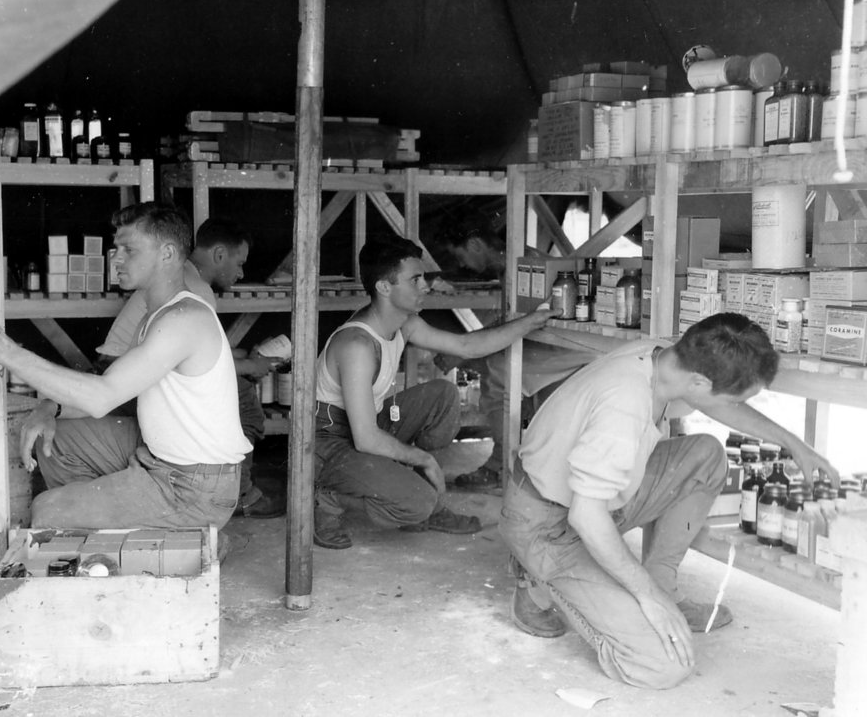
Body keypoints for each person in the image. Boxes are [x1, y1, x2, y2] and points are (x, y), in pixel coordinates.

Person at [498, 313, 842, 689]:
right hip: (549, 524)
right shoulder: (623, 404)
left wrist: (795, 444)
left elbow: (717, 404)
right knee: (661, 664)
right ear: (699, 381)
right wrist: (643, 595)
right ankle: (538, 578)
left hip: (585, 498)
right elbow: (586, 514)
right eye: (735, 395)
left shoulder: (663, 358)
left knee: (706, 455)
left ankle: (661, 588)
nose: (733, 404)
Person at [0, 202, 251, 530]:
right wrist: (51, 407)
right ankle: (118, 518)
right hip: (166, 461)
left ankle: (171, 539)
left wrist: (3, 349)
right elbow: (115, 386)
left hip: (194, 490)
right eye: (115, 248)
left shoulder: (183, 319)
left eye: (129, 249)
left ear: (166, 254)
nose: (116, 258)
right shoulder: (158, 313)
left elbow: (101, 397)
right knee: (56, 440)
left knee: (49, 512)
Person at [313, 236, 554, 550]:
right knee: (417, 505)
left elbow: (468, 346)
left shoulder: (405, 324)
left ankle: (403, 482)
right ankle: (329, 498)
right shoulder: (358, 345)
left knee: (443, 396)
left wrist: (531, 321)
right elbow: (366, 439)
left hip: (365, 425)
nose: (425, 286)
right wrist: (424, 458)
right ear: (384, 287)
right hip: (331, 443)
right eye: (415, 280)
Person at [96, 217, 285, 518]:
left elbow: (195, 352)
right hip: (127, 372)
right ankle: (239, 494)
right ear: (220, 255)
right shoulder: (195, 289)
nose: (241, 272)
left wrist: (247, 359)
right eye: (239, 263)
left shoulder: (180, 276)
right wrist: (252, 364)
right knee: (246, 403)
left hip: (125, 365)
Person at [435, 211, 596, 489]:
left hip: (573, 345)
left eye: (459, 255)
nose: (461, 263)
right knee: (499, 363)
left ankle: (501, 466)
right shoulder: (519, 257)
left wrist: (462, 350)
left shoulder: (517, 265)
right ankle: (523, 461)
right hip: (560, 340)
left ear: (475, 245)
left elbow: (514, 323)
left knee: (501, 372)